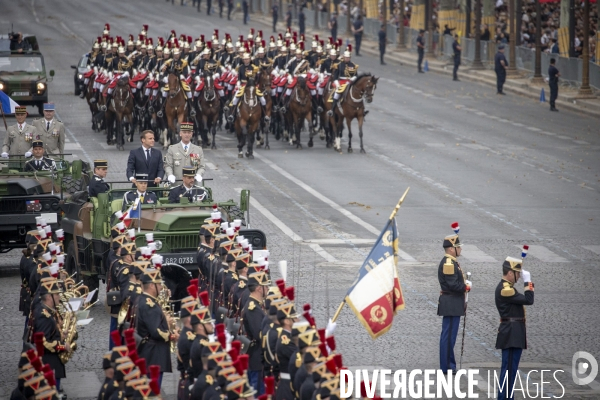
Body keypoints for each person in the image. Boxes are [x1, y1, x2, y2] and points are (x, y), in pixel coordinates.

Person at [495, 256, 534, 400]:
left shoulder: (507, 287)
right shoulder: (506, 289)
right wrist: (527, 281)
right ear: (510, 273)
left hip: (512, 333)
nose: (518, 277)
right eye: (517, 274)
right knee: (509, 371)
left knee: (510, 369)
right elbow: (529, 300)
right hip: (511, 334)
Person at [135, 268, 179, 388]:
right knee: (153, 390)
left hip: (148, 353)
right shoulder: (150, 305)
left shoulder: (142, 300)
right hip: (153, 355)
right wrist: (172, 335)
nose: (161, 287)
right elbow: (156, 332)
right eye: (159, 284)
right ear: (151, 286)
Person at [437, 228, 471, 374]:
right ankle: (447, 366)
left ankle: (449, 364)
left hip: (452, 303)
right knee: (448, 336)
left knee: (450, 335)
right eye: (458, 247)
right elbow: (452, 285)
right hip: (451, 303)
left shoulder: (452, 262)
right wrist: (466, 287)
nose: (460, 249)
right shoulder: (449, 264)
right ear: (451, 249)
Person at [32, 278, 68, 397]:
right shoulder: (44, 316)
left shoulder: (47, 311)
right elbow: (44, 343)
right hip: (49, 364)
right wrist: (63, 346)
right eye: (57, 294)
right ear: (48, 297)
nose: (59, 296)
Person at [242, 271, 271, 395]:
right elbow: (259, 334)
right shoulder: (253, 308)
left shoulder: (257, 306)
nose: (268, 288)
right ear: (259, 288)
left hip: (257, 358)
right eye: (266, 286)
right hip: (257, 359)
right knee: (258, 392)